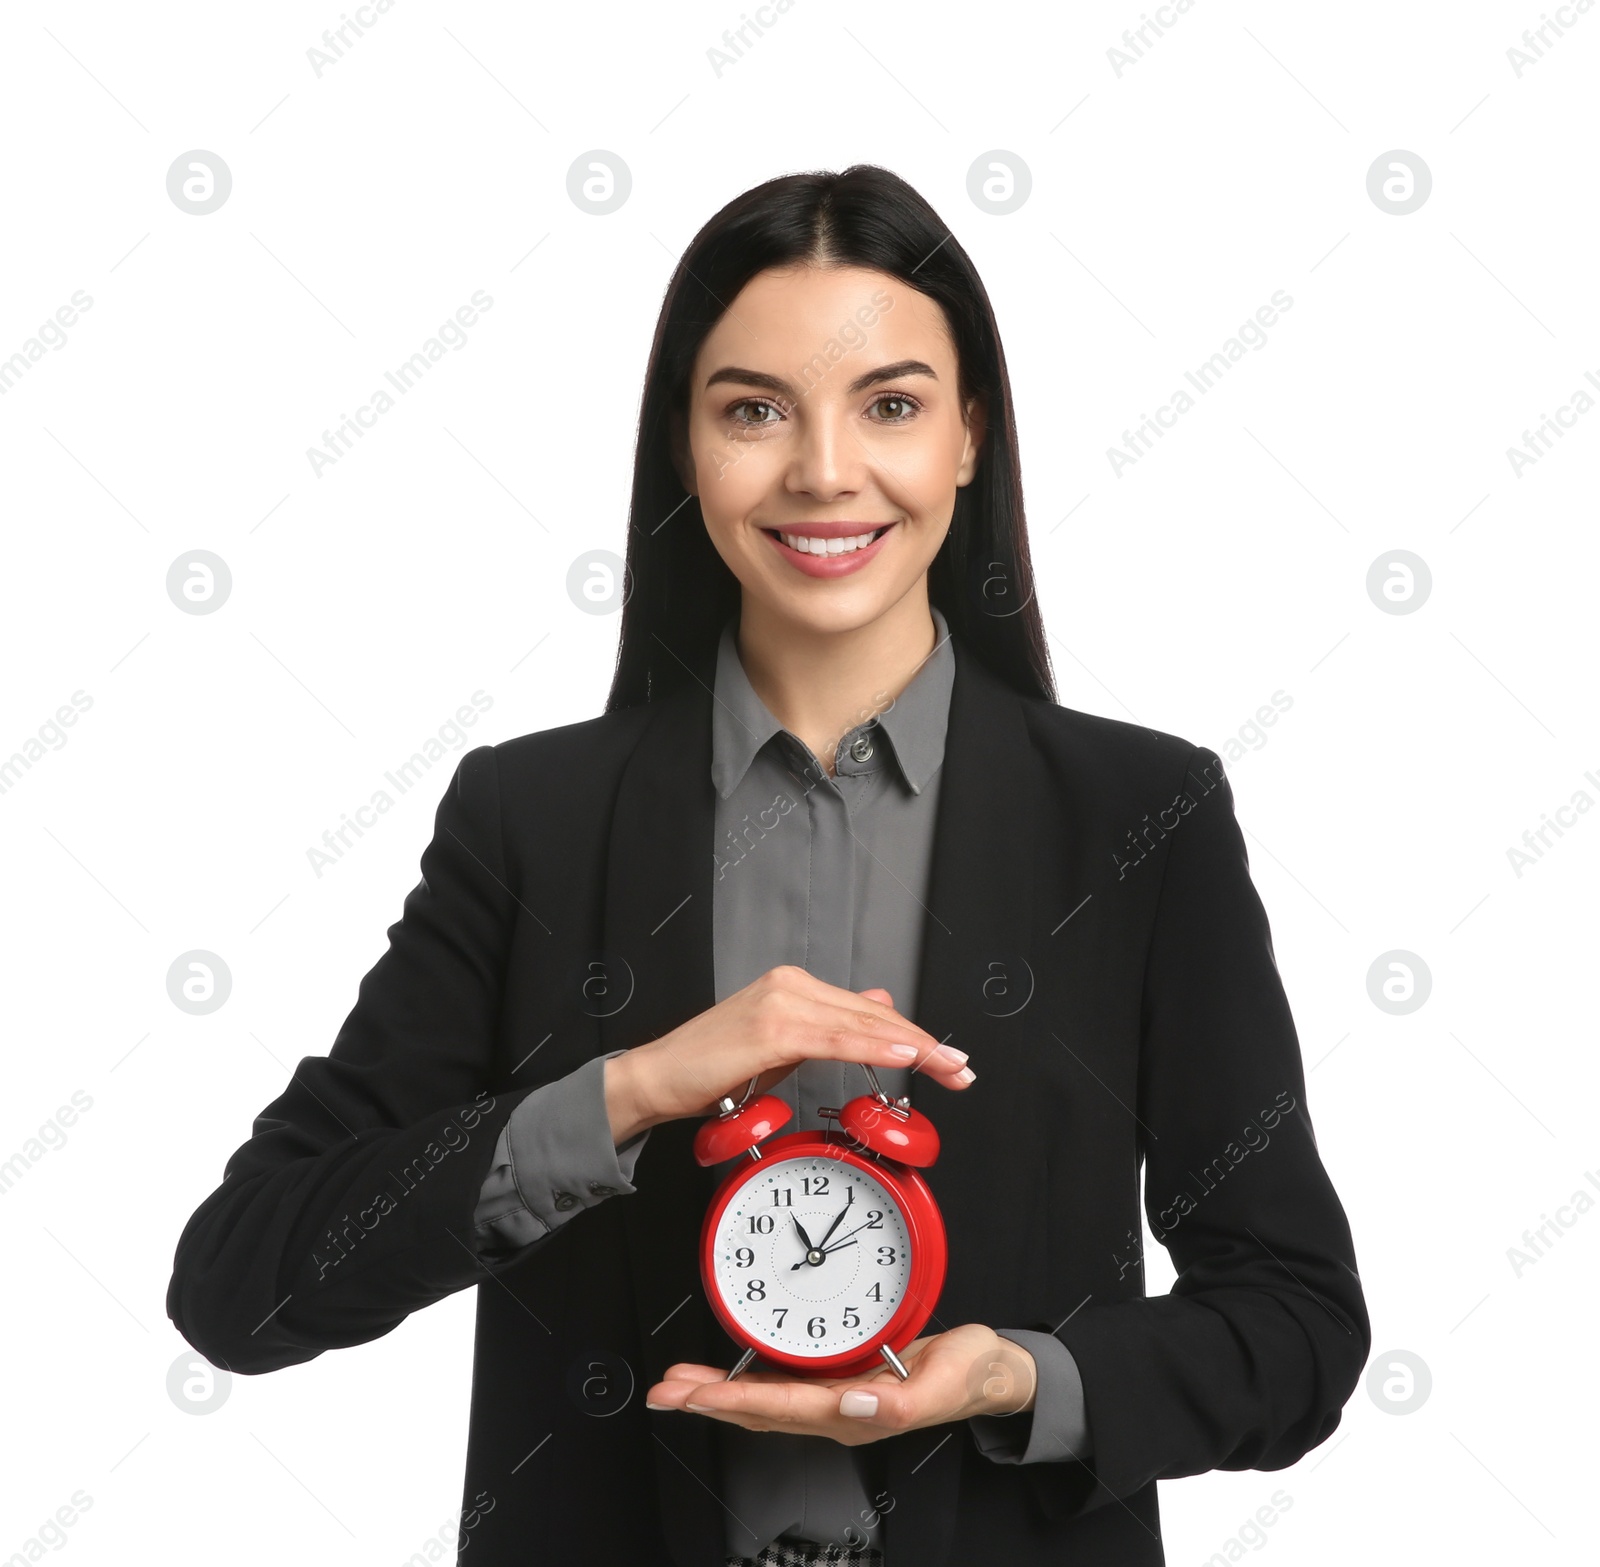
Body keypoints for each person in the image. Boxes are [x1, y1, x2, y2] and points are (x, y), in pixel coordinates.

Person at [168, 165, 1369, 1567]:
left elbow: (1297, 1326)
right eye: (753, 409)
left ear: (969, 437)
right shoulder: (532, 819)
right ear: (684, 447)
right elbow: (239, 1284)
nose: (822, 469)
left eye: (892, 405)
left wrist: (1014, 1379)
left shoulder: (1139, 816)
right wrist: (629, 1093)